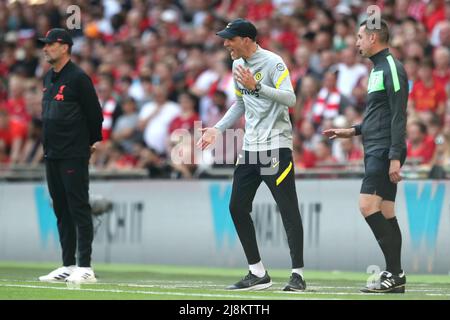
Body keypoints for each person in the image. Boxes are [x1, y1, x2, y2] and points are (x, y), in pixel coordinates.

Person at [197, 18, 306, 291]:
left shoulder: (273, 62)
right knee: (236, 206)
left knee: (287, 208)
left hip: (276, 147)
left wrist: (258, 87)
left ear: (246, 39)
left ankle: (298, 275)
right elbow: (240, 103)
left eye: (229, 39)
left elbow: (290, 98)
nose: (225, 44)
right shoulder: (237, 65)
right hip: (250, 148)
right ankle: (257, 272)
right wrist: (219, 129)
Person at [323, 20, 408, 293]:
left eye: (359, 37)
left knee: (366, 206)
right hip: (376, 146)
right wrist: (353, 131)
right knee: (386, 211)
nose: (356, 42)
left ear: (373, 38)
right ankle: (395, 276)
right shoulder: (376, 70)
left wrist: (394, 156)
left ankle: (394, 273)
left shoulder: (392, 67)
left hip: (384, 150)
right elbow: (379, 115)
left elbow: (398, 114)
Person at [37, 29, 103, 283]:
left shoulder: (78, 78)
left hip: (73, 153)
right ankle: (67, 264)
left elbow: (95, 114)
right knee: (62, 209)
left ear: (65, 47)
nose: (45, 48)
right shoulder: (50, 78)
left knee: (78, 207)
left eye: (50, 44)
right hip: (52, 153)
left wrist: (89, 143)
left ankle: (85, 266)